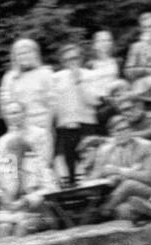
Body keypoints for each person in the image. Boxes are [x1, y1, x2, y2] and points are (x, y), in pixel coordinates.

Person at [0, 134, 58, 238]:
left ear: (24, 154)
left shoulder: (39, 165)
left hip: (39, 214)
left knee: (23, 226)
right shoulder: (8, 164)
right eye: (8, 152)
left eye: (13, 152)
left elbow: (52, 188)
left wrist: (27, 200)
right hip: (12, 214)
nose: (8, 155)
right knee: (3, 227)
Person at [90, 114, 151, 219]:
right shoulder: (104, 150)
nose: (123, 133)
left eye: (125, 129)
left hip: (149, 190)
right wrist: (108, 178)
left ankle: (103, 210)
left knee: (129, 184)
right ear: (111, 133)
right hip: (121, 195)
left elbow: (149, 177)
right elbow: (95, 176)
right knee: (123, 210)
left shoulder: (147, 146)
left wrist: (120, 171)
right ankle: (145, 212)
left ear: (131, 129)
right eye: (118, 130)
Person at [52, 44, 102, 186]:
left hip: (87, 124)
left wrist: (79, 81)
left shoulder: (91, 75)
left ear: (81, 58)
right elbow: (53, 104)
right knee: (69, 165)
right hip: (65, 126)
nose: (72, 61)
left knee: (89, 162)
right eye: (67, 59)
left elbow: (94, 100)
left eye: (75, 57)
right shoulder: (55, 77)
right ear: (63, 61)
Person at [0, 39, 56, 160]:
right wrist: (12, 127)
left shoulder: (45, 73)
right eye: (19, 53)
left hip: (41, 127)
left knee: (40, 162)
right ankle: (11, 178)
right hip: (17, 128)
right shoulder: (10, 78)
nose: (23, 56)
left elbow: (52, 104)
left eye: (27, 52)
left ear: (35, 54)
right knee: (11, 161)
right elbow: (5, 105)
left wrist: (46, 129)